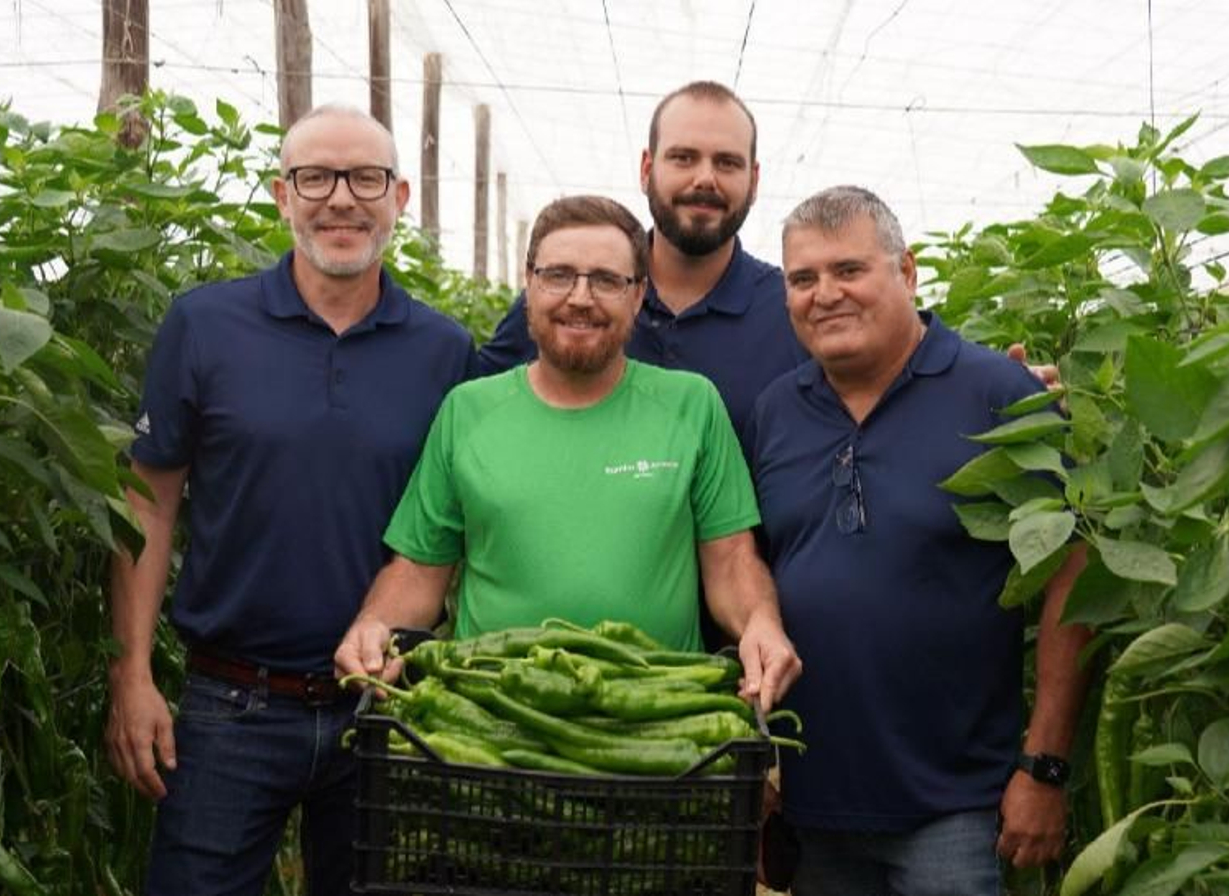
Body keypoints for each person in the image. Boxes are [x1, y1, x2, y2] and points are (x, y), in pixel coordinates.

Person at [104, 104, 476, 896]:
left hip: (387, 704)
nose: (341, 198)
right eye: (315, 177)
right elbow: (148, 501)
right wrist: (131, 676)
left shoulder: (445, 351)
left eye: (365, 178)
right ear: (282, 195)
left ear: (399, 196)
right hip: (229, 702)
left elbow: (460, 525)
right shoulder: (205, 325)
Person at [748, 186, 1093, 895]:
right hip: (818, 809)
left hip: (957, 808)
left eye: (850, 270)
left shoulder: (996, 392)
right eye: (803, 279)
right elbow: (753, 571)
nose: (826, 295)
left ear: (905, 273)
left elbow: (1073, 572)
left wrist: (1045, 765)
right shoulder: (777, 410)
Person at [334, 195, 801, 714]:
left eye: (606, 280)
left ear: (639, 294)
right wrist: (374, 624)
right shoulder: (468, 411)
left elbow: (732, 559)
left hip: (656, 721)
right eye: (559, 275)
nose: (581, 298)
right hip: (492, 719)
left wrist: (760, 621)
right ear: (529, 284)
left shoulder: (692, 406)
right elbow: (420, 570)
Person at [477, 81, 803, 447]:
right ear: (647, 169)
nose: (705, 179)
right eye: (683, 158)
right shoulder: (566, 305)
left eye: (727, 163)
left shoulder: (792, 315)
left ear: (754, 180)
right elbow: (477, 415)